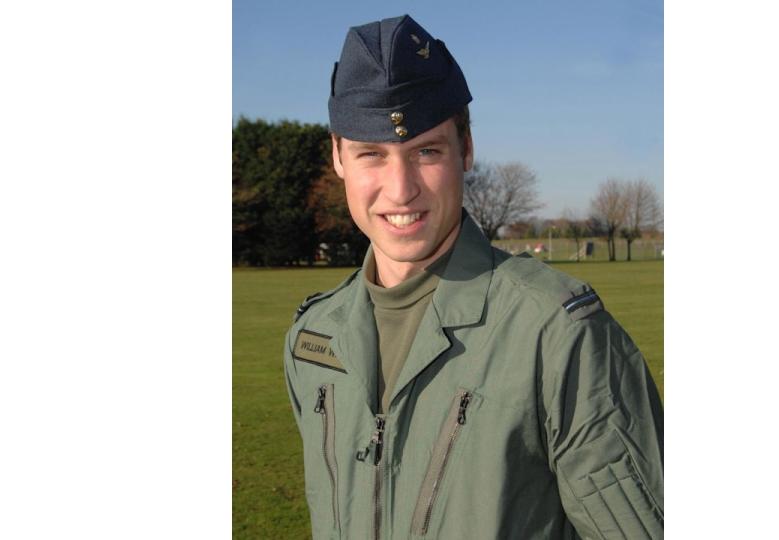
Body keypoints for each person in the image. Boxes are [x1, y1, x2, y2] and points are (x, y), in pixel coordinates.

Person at [284, 14, 663, 539]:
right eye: (372, 154)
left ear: (466, 149)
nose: (399, 190)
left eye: (426, 151)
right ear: (338, 158)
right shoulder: (312, 340)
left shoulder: (558, 335)